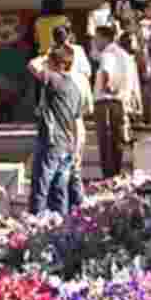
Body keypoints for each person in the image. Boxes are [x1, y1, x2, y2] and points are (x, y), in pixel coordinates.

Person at [26, 44, 83, 216]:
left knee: (41, 185)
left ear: (55, 63)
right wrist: (76, 148)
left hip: (52, 142)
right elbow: (77, 120)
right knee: (60, 190)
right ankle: (60, 227)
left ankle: (34, 224)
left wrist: (47, 54)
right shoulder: (75, 87)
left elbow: (32, 65)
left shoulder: (53, 80)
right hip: (68, 144)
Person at [53, 25, 92, 210]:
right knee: (72, 165)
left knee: (66, 166)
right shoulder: (76, 54)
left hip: (64, 116)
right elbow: (87, 73)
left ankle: (69, 206)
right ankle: (75, 205)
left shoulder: (53, 57)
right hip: (72, 114)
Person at [91, 25, 136, 179]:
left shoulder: (108, 53)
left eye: (96, 39)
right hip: (120, 102)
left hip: (105, 103)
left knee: (106, 143)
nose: (95, 42)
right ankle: (115, 175)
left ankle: (108, 178)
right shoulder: (124, 54)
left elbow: (106, 71)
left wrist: (107, 88)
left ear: (104, 38)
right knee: (117, 142)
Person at [32, 0, 70, 105]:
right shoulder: (64, 20)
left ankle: (40, 109)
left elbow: (36, 40)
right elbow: (70, 39)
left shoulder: (39, 21)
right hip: (60, 56)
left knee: (42, 85)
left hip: (43, 57)